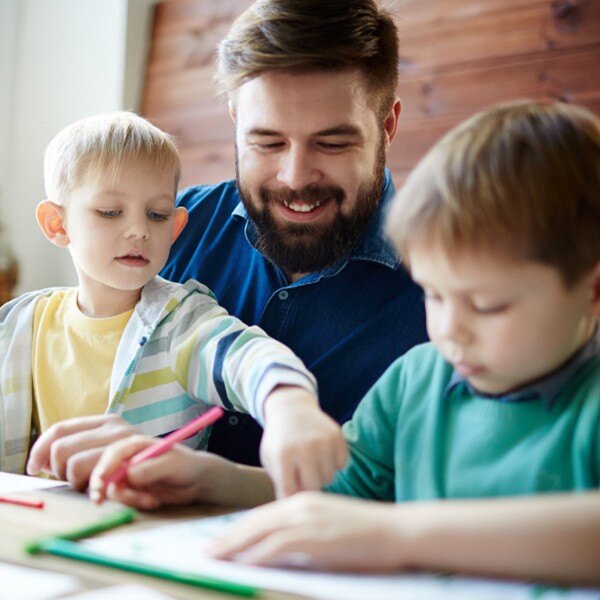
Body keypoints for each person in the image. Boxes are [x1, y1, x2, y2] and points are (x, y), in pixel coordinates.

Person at [90, 101, 600, 585]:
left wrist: (397, 534)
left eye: (488, 306)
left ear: (592, 290)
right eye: (435, 295)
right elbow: (336, 496)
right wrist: (211, 479)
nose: (451, 331)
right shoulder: (417, 378)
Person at [26, 0, 427, 484]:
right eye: (269, 142)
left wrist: (216, 483)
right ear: (236, 121)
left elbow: (426, 500)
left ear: (387, 126)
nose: (295, 176)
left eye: (333, 143)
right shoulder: (167, 229)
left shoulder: (446, 285)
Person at [2, 111, 346, 496]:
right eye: (110, 212)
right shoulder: (20, 323)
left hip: (141, 531)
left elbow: (249, 358)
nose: (138, 229)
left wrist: (290, 406)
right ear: (57, 224)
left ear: (176, 227)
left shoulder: (182, 320)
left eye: (157, 214)